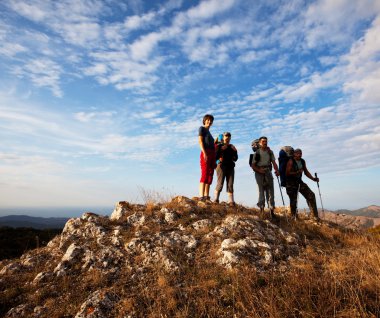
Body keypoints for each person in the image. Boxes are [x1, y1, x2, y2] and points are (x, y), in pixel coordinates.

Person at [285, 148, 319, 220]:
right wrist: (297, 172)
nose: (299, 155)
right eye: (298, 153)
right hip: (290, 183)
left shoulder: (302, 161)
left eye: (300, 153)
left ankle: (314, 216)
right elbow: (287, 173)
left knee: (311, 195)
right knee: (293, 200)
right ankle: (293, 217)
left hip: (299, 182)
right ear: (294, 154)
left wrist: (313, 179)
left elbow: (306, 171)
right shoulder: (291, 161)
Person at [251, 136, 280, 218]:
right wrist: (259, 170)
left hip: (268, 171)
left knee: (271, 191)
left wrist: (277, 170)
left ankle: (271, 211)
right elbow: (253, 165)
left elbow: (274, 162)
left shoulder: (270, 152)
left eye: (266, 141)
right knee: (261, 191)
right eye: (263, 141)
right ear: (260, 143)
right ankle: (262, 210)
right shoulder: (257, 153)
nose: (265, 143)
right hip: (259, 172)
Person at [214, 132, 238, 206]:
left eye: (229, 136)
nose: (227, 137)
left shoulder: (232, 147)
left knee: (230, 184)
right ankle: (216, 199)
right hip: (221, 166)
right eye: (226, 136)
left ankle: (231, 201)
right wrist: (221, 149)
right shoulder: (219, 145)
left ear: (230, 138)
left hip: (230, 166)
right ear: (223, 137)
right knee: (220, 183)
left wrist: (235, 151)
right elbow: (215, 156)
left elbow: (235, 158)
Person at [198, 114, 216, 201]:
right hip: (206, 152)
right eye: (208, 120)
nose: (209, 122)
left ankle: (206, 196)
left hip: (212, 154)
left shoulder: (210, 134)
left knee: (210, 175)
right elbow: (200, 141)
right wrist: (204, 153)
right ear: (204, 120)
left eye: (211, 120)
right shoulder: (202, 129)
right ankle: (201, 196)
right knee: (204, 174)